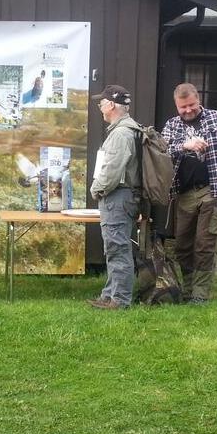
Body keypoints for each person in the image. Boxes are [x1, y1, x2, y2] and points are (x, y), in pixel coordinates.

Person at [160, 83, 217, 304]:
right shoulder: (171, 125)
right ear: (176, 106)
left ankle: (200, 295)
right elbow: (161, 152)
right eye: (183, 107)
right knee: (182, 245)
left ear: (198, 100)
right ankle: (188, 289)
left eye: (191, 105)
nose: (188, 110)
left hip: (214, 190)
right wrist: (185, 145)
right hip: (185, 193)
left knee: (204, 245)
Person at [88, 85, 141, 310]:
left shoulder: (120, 133)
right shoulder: (130, 129)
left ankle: (119, 300)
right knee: (113, 246)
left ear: (111, 105)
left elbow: (111, 172)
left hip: (117, 196)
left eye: (102, 103)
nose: (100, 107)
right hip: (124, 196)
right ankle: (109, 295)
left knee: (117, 248)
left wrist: (96, 189)